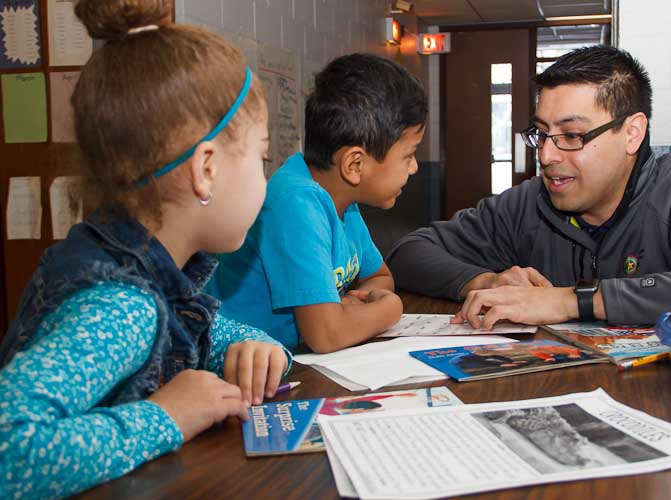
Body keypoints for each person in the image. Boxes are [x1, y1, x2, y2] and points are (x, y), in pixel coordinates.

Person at [0, 1, 291, 498]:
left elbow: (215, 335)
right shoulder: (120, 306)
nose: (265, 179)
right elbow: (10, 448)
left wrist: (261, 350)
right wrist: (165, 416)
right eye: (262, 157)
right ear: (206, 169)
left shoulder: (152, 271)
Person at [387, 45, 671, 328]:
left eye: (573, 135)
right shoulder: (529, 203)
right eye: (542, 134)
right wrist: (484, 280)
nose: (545, 155)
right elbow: (409, 254)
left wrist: (570, 301)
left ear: (632, 134)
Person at [206, 53, 428, 353]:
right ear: (355, 165)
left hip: (290, 359)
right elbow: (326, 335)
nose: (414, 168)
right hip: (235, 368)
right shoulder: (295, 202)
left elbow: (379, 276)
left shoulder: (341, 199)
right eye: (408, 155)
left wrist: (351, 306)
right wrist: (390, 309)